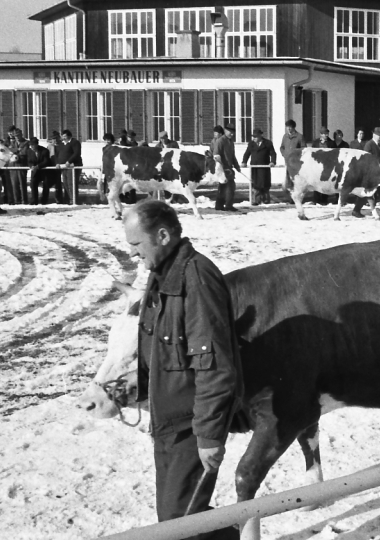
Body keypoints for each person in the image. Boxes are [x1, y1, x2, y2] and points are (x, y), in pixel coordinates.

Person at [124, 200, 242, 539]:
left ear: (162, 235)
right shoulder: (162, 274)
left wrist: (207, 436)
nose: (133, 253)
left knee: (181, 520)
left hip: (191, 424)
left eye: (136, 244)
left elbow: (215, 365)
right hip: (168, 419)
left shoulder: (195, 277)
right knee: (175, 517)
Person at [241, 128, 277, 206]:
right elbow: (247, 153)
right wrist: (244, 162)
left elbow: (273, 153)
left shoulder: (267, 143)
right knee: (255, 183)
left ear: (260, 136)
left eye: (256, 136)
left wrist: (272, 162)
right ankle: (255, 200)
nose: (254, 138)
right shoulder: (251, 144)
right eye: (253, 136)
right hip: (254, 167)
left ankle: (266, 199)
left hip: (264, 167)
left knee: (264, 183)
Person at [210, 125, 239, 212]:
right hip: (223, 168)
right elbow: (216, 155)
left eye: (233, 132)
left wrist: (237, 166)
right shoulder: (220, 141)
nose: (232, 134)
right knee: (231, 186)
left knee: (223, 187)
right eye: (231, 132)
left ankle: (219, 205)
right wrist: (221, 167)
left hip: (229, 168)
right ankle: (228, 205)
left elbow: (233, 156)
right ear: (225, 131)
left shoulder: (230, 141)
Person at [279, 120, 305, 202]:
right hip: (288, 162)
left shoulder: (299, 137)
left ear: (294, 128)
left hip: (296, 163)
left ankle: (297, 198)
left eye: (290, 127)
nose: (289, 129)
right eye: (287, 127)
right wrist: (284, 154)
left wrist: (297, 156)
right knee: (288, 180)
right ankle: (290, 198)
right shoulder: (285, 137)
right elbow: (282, 147)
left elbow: (303, 149)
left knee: (296, 180)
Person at [309, 127, 336, 205]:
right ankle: (315, 199)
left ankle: (324, 199)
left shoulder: (331, 143)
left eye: (327, 134)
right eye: (324, 134)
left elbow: (334, 154)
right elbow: (312, 153)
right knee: (316, 182)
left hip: (327, 165)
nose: (326, 135)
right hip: (317, 165)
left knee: (325, 182)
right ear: (321, 134)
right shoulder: (315, 142)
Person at [27, 136, 54, 205]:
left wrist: (38, 166)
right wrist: (31, 166)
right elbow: (29, 161)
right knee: (33, 184)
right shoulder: (29, 151)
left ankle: (44, 200)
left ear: (37, 144)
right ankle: (34, 200)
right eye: (31, 145)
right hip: (35, 171)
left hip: (44, 171)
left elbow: (46, 161)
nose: (32, 147)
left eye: (33, 145)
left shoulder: (44, 151)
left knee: (45, 185)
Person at [60, 129, 83, 205]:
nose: (63, 138)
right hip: (64, 166)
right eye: (62, 136)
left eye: (65, 136)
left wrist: (69, 161)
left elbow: (76, 153)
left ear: (69, 136)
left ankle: (74, 199)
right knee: (65, 183)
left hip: (72, 166)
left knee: (71, 183)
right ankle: (69, 199)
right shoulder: (62, 144)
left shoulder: (75, 142)